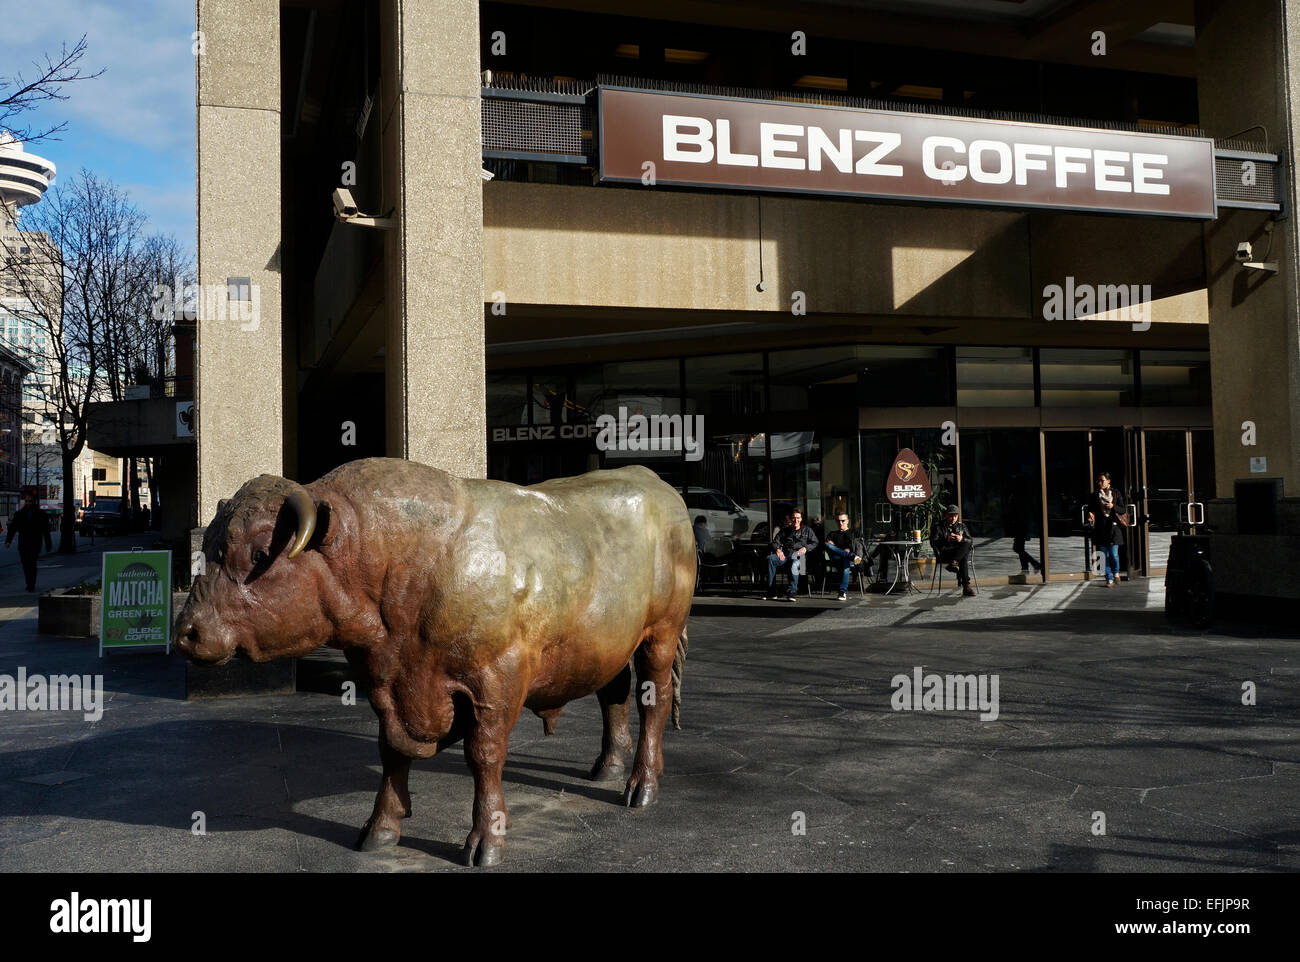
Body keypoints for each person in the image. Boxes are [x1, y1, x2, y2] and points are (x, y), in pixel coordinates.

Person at [5, 489, 53, 592]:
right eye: (26, 501)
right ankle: (29, 581)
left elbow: (46, 530)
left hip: (35, 543)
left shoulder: (41, 514)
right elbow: (13, 528)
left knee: (32, 563)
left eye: (30, 501)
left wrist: (48, 544)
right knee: (25, 564)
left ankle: (31, 583)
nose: (28, 503)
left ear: (34, 501)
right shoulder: (19, 514)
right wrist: (8, 540)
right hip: (23, 543)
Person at [765, 509, 818, 602]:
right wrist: (777, 549)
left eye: (798, 518)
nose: (795, 520)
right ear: (791, 519)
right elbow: (774, 542)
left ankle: (792, 591)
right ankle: (772, 591)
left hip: (800, 558)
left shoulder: (807, 530)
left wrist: (806, 548)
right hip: (786, 555)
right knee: (770, 559)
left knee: (794, 562)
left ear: (801, 519)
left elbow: (815, 542)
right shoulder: (785, 531)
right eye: (793, 518)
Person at [1085, 471, 1128, 587]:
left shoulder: (1116, 493)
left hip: (1114, 528)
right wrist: (1090, 514)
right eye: (1098, 481)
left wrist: (1113, 506)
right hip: (1101, 528)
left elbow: (1123, 510)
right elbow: (1090, 508)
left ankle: (1116, 573)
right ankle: (1109, 578)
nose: (1100, 483)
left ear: (1108, 481)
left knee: (1113, 555)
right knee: (1104, 556)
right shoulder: (1095, 495)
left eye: (1102, 480)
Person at [930, 504, 975, 597]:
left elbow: (970, 540)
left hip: (957, 552)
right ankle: (966, 587)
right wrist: (947, 539)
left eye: (955, 516)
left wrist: (961, 538)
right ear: (946, 515)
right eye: (950, 515)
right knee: (964, 556)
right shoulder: (938, 526)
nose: (953, 518)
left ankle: (954, 562)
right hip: (945, 552)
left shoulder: (961, 526)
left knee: (965, 545)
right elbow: (933, 542)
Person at [823, 512, 865, 602]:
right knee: (827, 545)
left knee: (845, 562)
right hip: (837, 559)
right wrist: (847, 552)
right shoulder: (832, 534)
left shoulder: (854, 532)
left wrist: (843, 548)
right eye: (838, 521)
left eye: (843, 521)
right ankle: (851, 556)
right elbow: (829, 547)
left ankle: (842, 591)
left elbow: (859, 546)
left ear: (848, 521)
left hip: (849, 560)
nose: (840, 523)